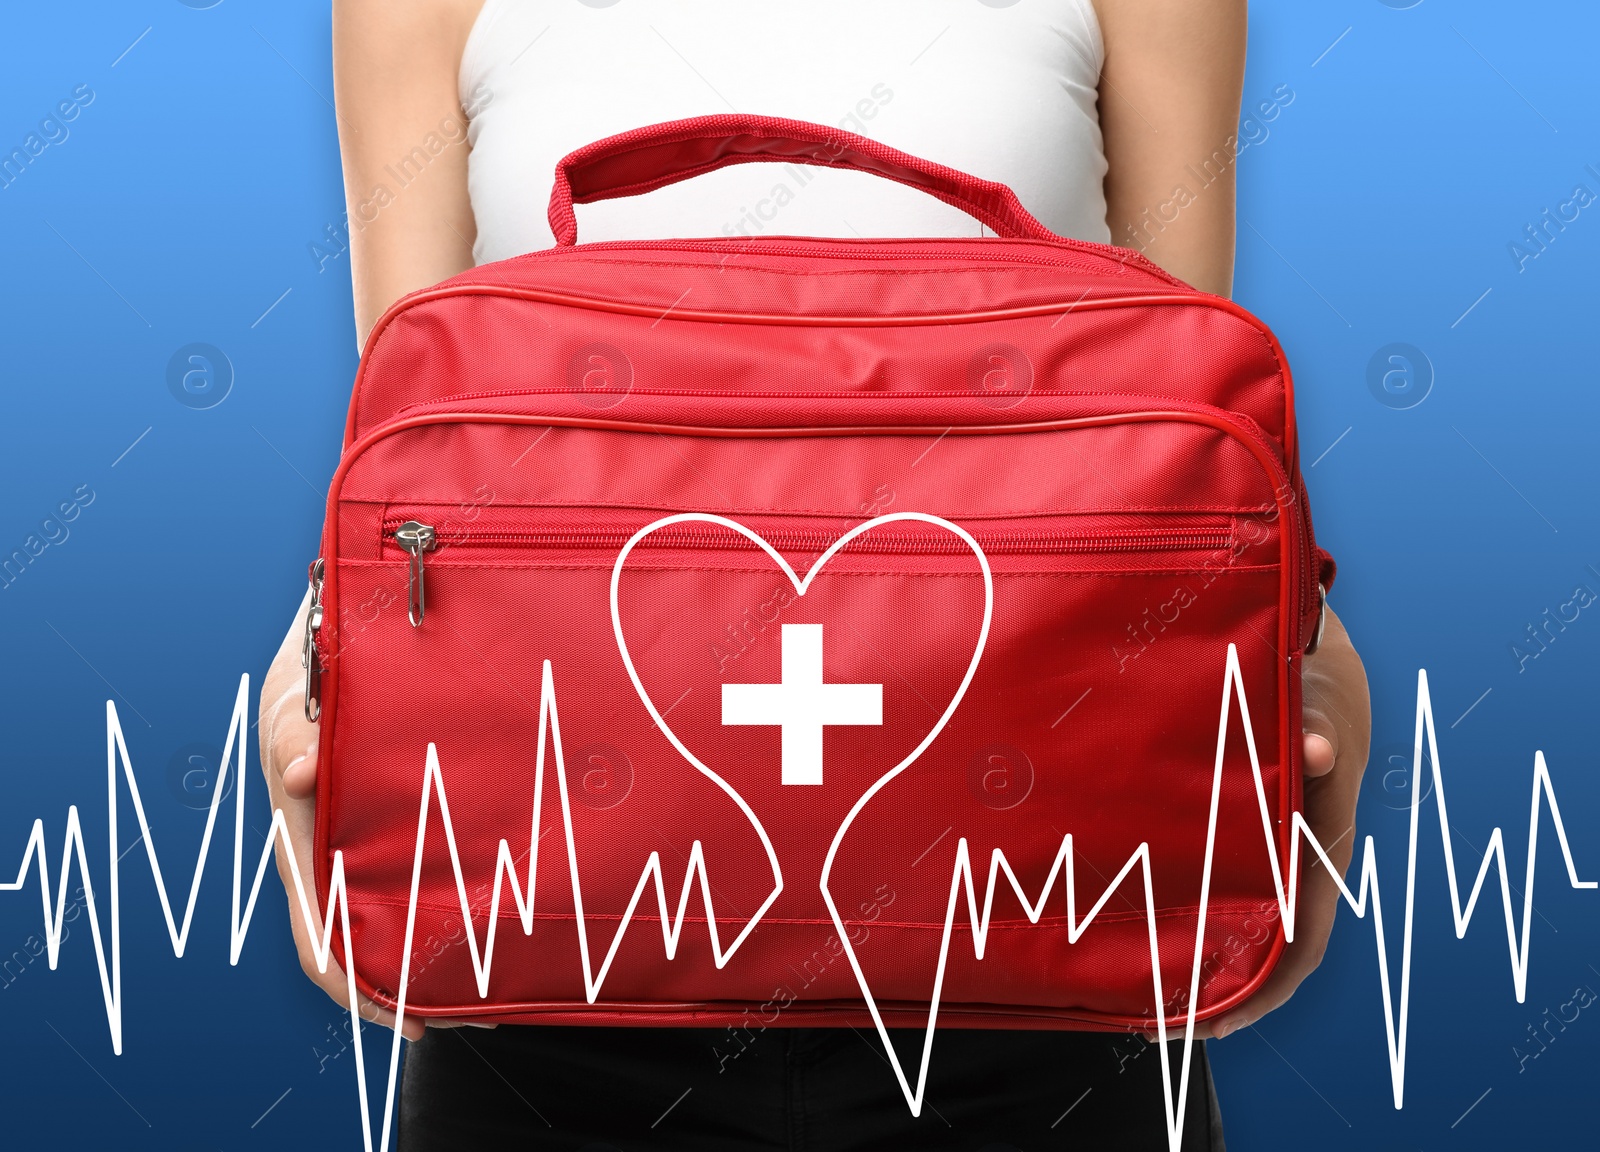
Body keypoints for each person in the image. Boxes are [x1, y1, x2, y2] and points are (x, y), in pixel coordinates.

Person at [259, 1, 1371, 1147]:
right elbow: (408, 464)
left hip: (1039, 951)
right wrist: (305, 697)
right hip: (551, 963)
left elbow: (1184, 446)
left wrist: (1321, 687)